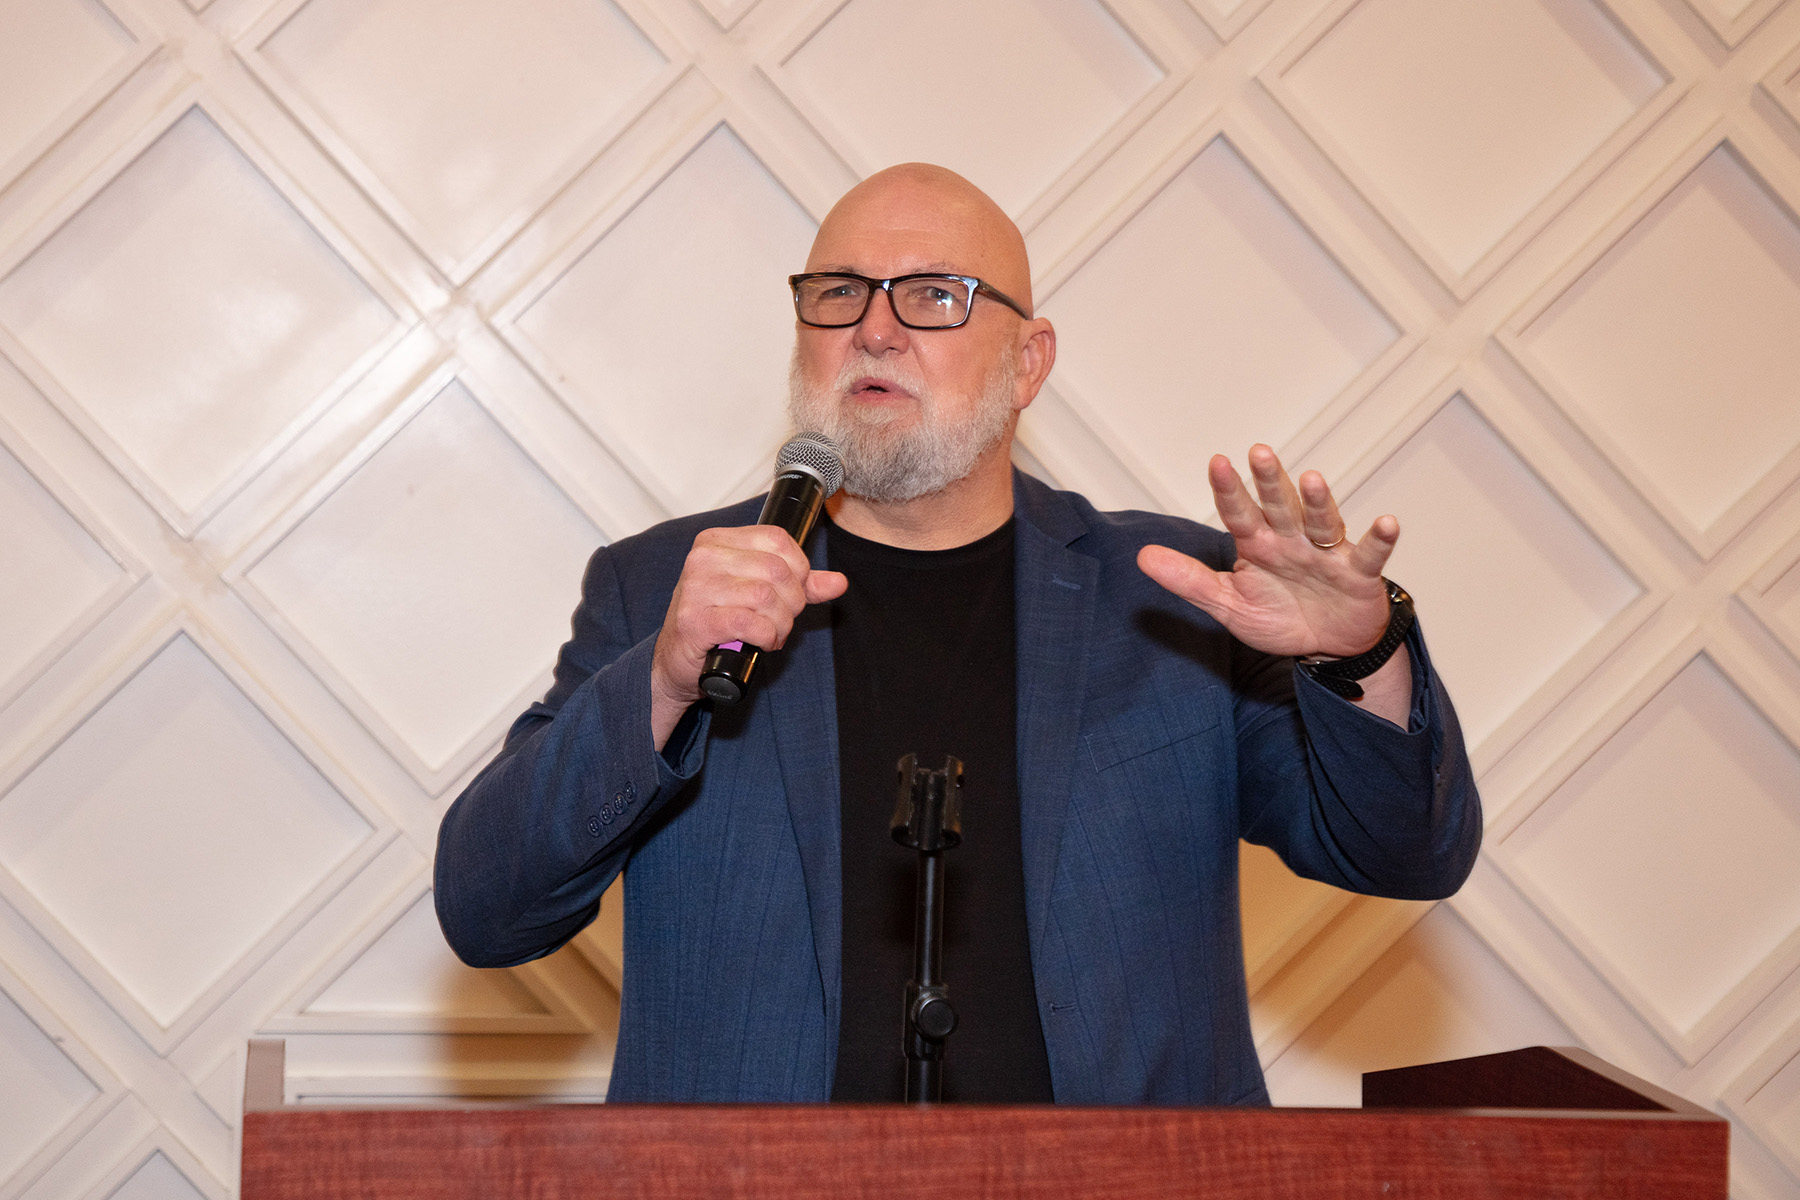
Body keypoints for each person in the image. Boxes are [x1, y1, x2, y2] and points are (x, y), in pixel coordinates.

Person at [435, 163, 1480, 1105]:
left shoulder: (1177, 598)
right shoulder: (666, 590)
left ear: (1028, 362)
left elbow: (1406, 853)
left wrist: (1357, 657)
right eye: (838, 293)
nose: (874, 331)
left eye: (934, 295)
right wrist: (664, 684)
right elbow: (488, 911)